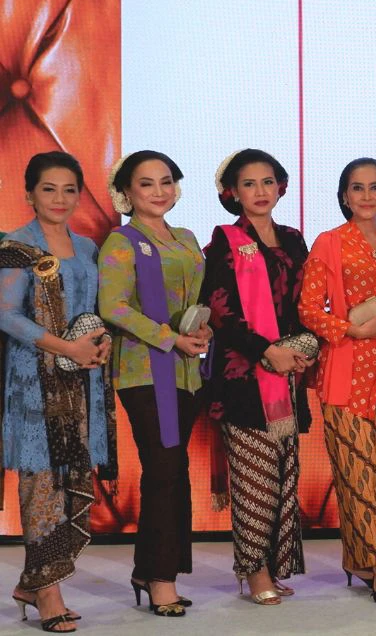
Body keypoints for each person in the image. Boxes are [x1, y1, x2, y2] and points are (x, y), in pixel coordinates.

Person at [0, 153, 115, 633]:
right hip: (35, 381)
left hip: (83, 379)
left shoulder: (87, 247)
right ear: (29, 193)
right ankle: (48, 591)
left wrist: (100, 343)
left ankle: (33, 582)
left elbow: (94, 310)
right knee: (42, 481)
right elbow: (6, 315)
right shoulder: (15, 246)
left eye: (70, 189)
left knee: (71, 478)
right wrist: (65, 347)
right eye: (49, 189)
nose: (60, 199)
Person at [98, 151, 210, 616]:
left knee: (173, 472)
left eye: (167, 181)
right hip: (144, 371)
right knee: (163, 471)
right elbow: (113, 307)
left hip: (187, 372)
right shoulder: (121, 242)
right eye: (146, 184)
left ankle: (151, 570)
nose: (159, 191)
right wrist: (170, 338)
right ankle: (161, 578)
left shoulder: (186, 238)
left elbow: (197, 297)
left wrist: (202, 330)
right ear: (127, 192)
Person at [200, 150, 311, 606]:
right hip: (243, 377)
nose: (260, 191)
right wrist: (267, 351)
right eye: (249, 183)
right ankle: (254, 569)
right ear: (233, 192)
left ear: (281, 186)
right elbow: (219, 312)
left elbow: (307, 303)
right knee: (254, 480)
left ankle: (273, 563)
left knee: (283, 476)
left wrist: (303, 348)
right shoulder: (225, 241)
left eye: (268, 181)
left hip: (289, 375)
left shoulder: (294, 239)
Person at [297, 158, 376, 606]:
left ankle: (361, 558)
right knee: (357, 472)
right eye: (357, 188)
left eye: (375, 187)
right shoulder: (329, 242)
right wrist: (350, 330)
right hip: (345, 371)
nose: (366, 196)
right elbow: (308, 309)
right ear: (344, 195)